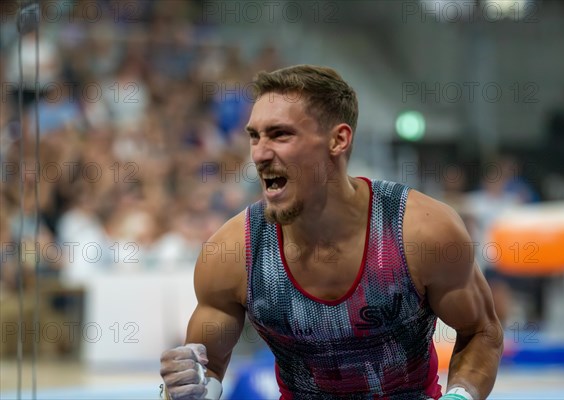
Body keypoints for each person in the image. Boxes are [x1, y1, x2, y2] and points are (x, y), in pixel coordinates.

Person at [160, 65, 503, 400]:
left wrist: (460, 397)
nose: (260, 154)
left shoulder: (422, 231)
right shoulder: (231, 253)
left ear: (338, 140)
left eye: (280, 134)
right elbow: (207, 370)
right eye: (255, 136)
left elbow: (480, 332)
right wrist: (184, 392)